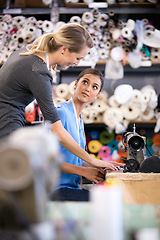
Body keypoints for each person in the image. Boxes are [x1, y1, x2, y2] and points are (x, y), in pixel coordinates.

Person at [0, 22, 123, 171]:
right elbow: (56, 129)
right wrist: (94, 161)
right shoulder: (38, 72)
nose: (77, 63)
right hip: (6, 121)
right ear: (64, 49)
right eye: (78, 58)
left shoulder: (29, 51)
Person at [50, 68, 122, 201]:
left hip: (72, 188)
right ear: (76, 84)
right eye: (85, 82)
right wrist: (84, 171)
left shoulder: (79, 119)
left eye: (94, 87)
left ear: (97, 95)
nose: (88, 88)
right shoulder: (61, 113)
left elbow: (74, 160)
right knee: (106, 202)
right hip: (55, 189)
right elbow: (47, 161)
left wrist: (101, 167)